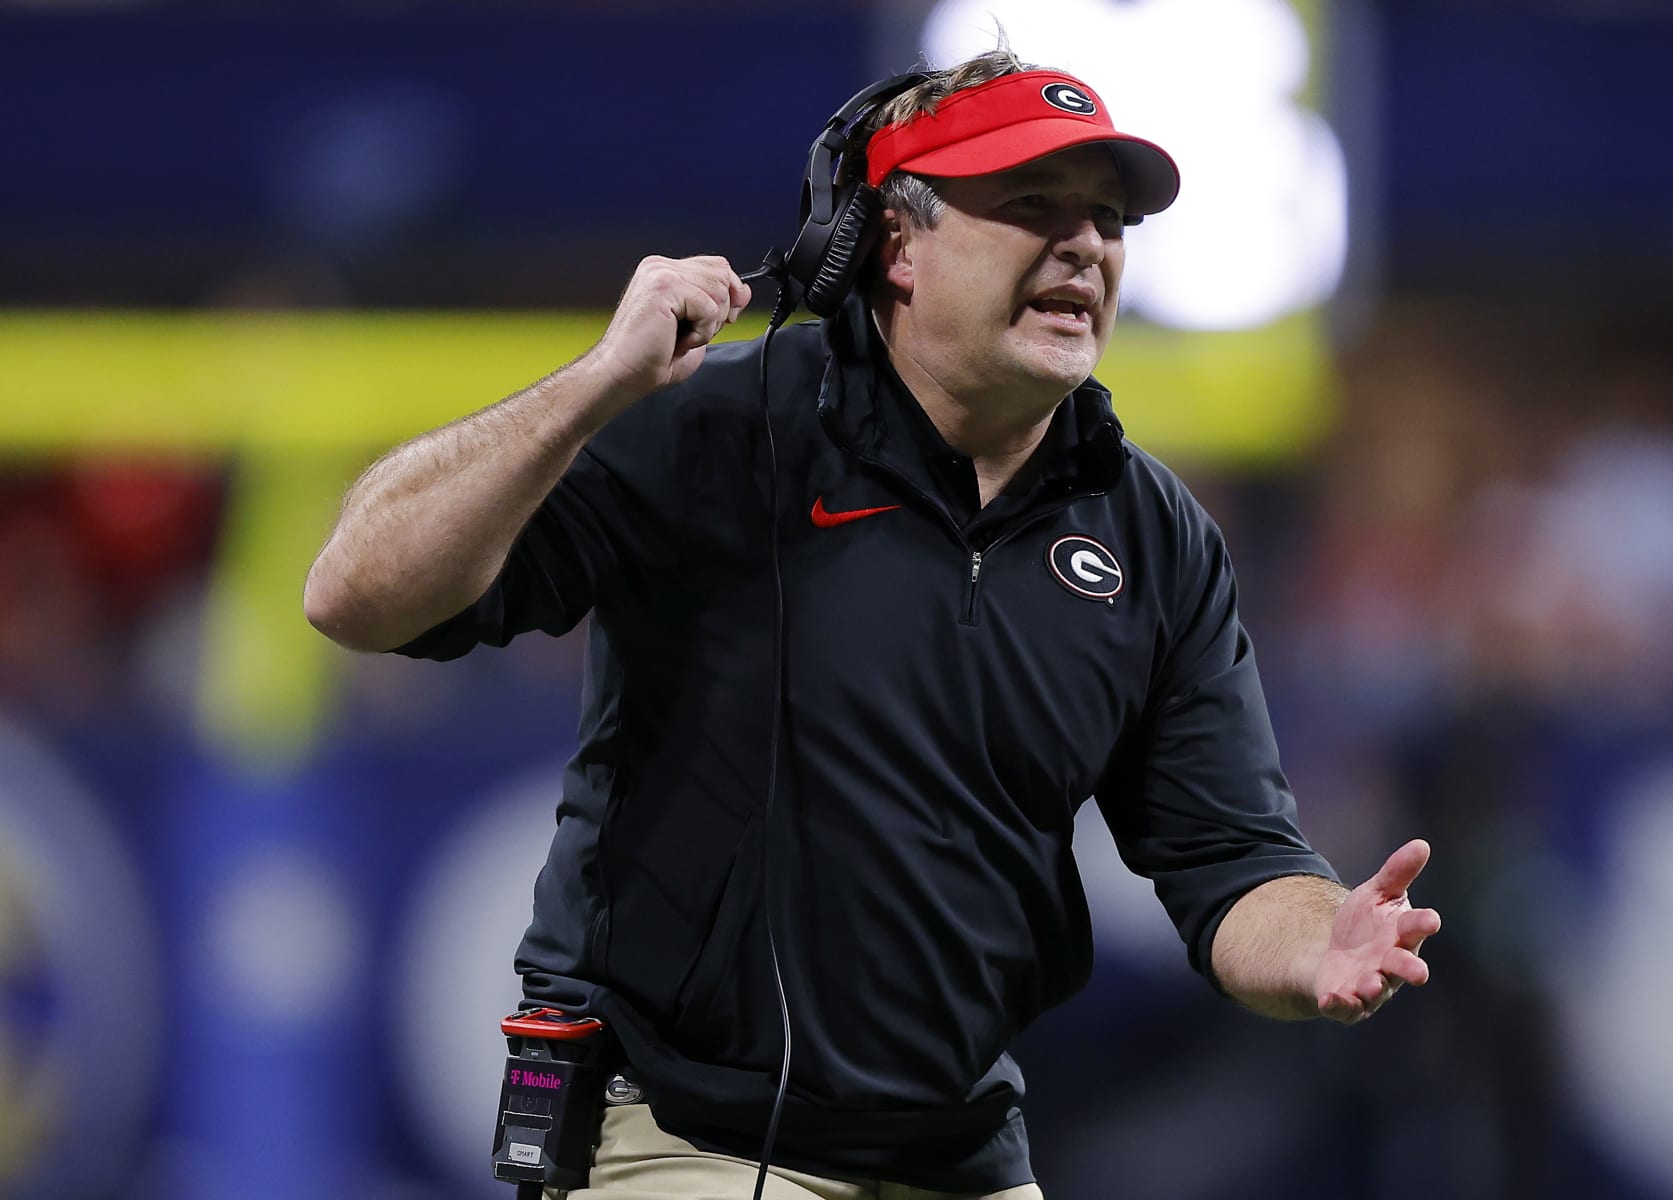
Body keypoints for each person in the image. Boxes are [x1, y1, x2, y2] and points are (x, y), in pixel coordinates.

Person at [305, 49, 1441, 1200]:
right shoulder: (717, 432)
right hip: (687, 1132)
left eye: (1107, 217)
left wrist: (1317, 941)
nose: (1087, 246)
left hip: (960, 1148)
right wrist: (595, 382)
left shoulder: (1153, 537)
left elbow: (1231, 861)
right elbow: (355, 593)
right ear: (892, 243)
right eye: (1031, 207)